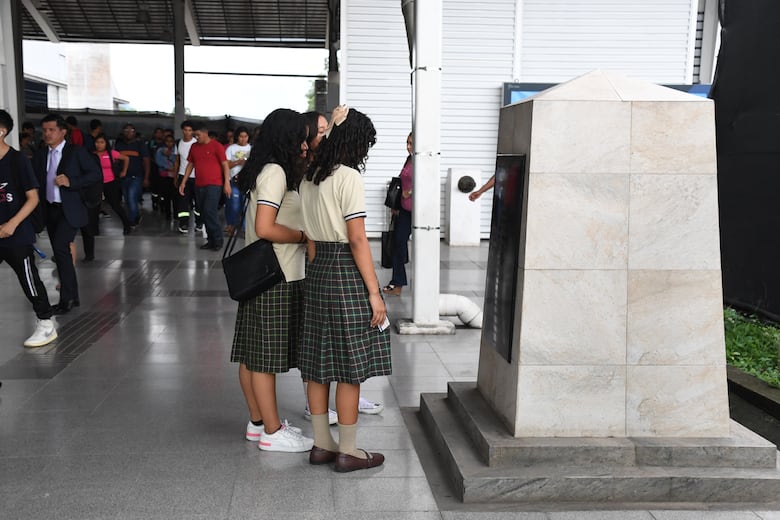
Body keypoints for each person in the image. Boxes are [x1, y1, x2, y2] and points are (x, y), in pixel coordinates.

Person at [299, 106, 391, 472]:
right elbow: (356, 239)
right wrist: (374, 292)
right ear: (356, 143)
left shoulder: (308, 177)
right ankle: (349, 451)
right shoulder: (348, 177)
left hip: (317, 269)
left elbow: (308, 237)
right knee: (350, 365)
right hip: (344, 272)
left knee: (319, 363)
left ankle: (322, 444)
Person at [231, 108, 313, 453]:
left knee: (253, 355)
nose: (306, 144)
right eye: (302, 136)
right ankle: (273, 432)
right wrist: (302, 235)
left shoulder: (264, 169)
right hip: (276, 275)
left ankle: (258, 423)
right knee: (265, 359)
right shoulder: (276, 172)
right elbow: (266, 227)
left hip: (260, 273)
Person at [33, 113, 101, 314]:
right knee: (60, 251)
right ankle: (74, 297)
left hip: (70, 209)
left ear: (63, 131)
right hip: (50, 209)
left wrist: (72, 182)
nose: (47, 134)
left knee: (62, 250)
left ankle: (67, 299)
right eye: (44, 130)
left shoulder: (76, 152)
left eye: (51, 130)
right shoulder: (40, 154)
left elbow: (95, 174)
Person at [0, 110, 57, 347]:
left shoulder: (17, 160)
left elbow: (32, 198)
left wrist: (11, 224)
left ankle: (46, 323)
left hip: (16, 234)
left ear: (2, 131)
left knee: (28, 278)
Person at [180, 122, 230, 250]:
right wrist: (183, 181)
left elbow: (225, 165)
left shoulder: (216, 146)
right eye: (194, 135)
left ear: (205, 133)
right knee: (203, 212)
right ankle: (211, 240)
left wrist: (227, 183)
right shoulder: (194, 147)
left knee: (210, 211)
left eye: (198, 135)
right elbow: (190, 164)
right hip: (199, 184)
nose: (196, 137)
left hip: (214, 184)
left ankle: (218, 240)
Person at [383, 132, 413, 296]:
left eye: (411, 143)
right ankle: (397, 282)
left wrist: (411, 192)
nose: (408, 147)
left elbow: (428, 179)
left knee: (400, 244)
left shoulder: (423, 161)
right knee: (398, 244)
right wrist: (396, 205)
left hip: (416, 212)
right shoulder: (410, 159)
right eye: (407, 143)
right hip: (404, 210)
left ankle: (398, 282)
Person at [92, 134, 132, 235]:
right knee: (95, 206)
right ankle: (94, 229)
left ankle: (127, 225)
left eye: (102, 142)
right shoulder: (91, 154)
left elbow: (126, 158)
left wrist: (124, 171)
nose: (99, 145)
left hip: (110, 182)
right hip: (96, 183)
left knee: (115, 205)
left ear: (106, 143)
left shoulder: (111, 153)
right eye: (97, 142)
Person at [114, 123, 150, 227]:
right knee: (127, 200)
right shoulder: (119, 145)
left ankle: (132, 221)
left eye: (131, 130)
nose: (129, 133)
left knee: (131, 197)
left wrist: (146, 177)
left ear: (135, 132)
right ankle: (136, 215)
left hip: (136, 176)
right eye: (126, 130)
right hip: (123, 177)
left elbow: (146, 161)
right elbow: (115, 160)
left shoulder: (140, 144)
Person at [173, 120, 202, 234]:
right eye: (185, 130)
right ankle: (183, 223)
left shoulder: (197, 143)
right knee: (182, 201)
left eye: (190, 130)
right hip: (182, 175)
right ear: (182, 130)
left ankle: (199, 222)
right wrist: (175, 177)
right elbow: (177, 161)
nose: (187, 132)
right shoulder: (178, 143)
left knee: (198, 202)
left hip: (196, 177)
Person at [223, 126, 251, 237]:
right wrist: (238, 162)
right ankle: (232, 226)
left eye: (245, 136)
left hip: (247, 181)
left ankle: (244, 228)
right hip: (234, 180)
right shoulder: (231, 149)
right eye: (241, 136)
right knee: (233, 204)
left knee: (245, 205)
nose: (243, 139)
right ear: (237, 137)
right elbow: (226, 164)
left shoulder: (251, 149)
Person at [155, 134, 177, 220]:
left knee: (175, 196)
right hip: (164, 176)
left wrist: (169, 156)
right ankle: (167, 213)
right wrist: (168, 167)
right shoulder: (160, 150)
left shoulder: (175, 151)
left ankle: (176, 214)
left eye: (171, 141)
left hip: (174, 176)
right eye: (167, 141)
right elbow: (158, 161)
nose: (169, 143)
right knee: (166, 196)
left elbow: (177, 160)